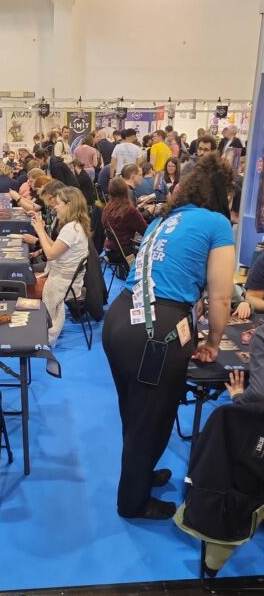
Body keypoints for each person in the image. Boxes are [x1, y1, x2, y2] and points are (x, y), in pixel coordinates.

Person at [102, 153, 235, 521]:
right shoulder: (217, 223)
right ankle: (132, 502)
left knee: (135, 413)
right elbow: (221, 296)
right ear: (222, 192)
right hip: (155, 332)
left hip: (121, 317)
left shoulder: (165, 218)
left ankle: (141, 475)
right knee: (152, 419)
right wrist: (212, 343)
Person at [30, 187, 90, 346]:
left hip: (65, 281)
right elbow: (55, 247)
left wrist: (40, 232)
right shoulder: (75, 226)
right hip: (68, 277)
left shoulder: (71, 229)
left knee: (27, 283)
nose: (54, 207)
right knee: (28, 278)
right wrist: (42, 230)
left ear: (69, 205)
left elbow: (50, 254)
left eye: (58, 204)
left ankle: (41, 333)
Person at [101, 177, 147, 256]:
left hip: (109, 251)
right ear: (126, 191)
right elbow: (145, 230)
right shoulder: (129, 211)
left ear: (110, 191)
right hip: (125, 253)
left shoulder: (106, 209)